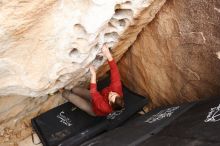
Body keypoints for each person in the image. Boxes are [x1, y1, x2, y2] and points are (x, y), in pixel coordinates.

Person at [62, 45, 124, 116]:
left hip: (94, 109)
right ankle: (71, 91)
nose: (111, 93)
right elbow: (114, 71)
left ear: (109, 103)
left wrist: (93, 74)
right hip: (97, 96)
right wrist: (107, 54)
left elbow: (94, 93)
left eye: (111, 96)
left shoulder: (105, 107)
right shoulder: (116, 89)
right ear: (119, 95)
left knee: (69, 96)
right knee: (75, 90)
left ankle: (63, 92)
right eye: (114, 94)